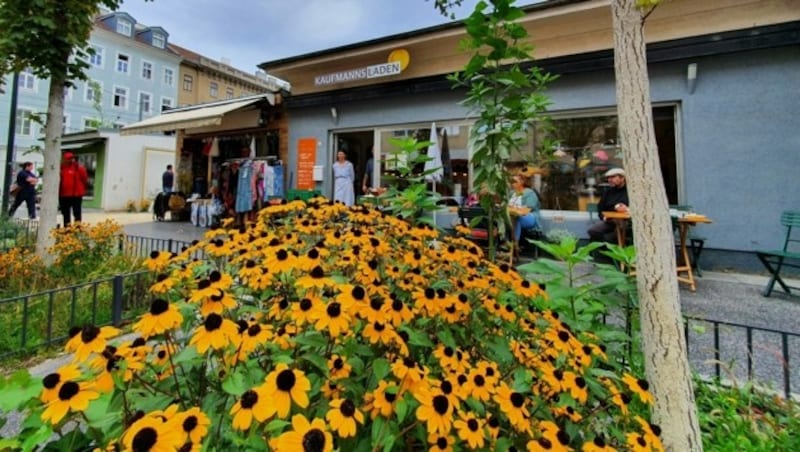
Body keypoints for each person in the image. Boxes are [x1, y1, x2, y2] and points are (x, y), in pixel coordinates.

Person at [587, 167, 629, 243]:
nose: (609, 180)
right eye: (608, 178)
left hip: (626, 222)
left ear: (622, 178)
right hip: (609, 221)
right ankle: (606, 248)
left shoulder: (630, 191)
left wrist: (626, 209)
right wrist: (603, 217)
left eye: (613, 177)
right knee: (593, 231)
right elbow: (600, 207)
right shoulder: (608, 192)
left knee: (620, 232)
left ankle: (610, 246)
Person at [509, 174, 541, 244]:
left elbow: (526, 211)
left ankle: (515, 245)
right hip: (513, 216)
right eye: (511, 182)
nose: (512, 184)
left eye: (515, 182)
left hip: (530, 217)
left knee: (516, 218)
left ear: (521, 182)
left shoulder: (529, 193)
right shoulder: (511, 193)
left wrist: (514, 210)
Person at [59, 152, 89, 226]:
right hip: (64, 195)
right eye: (69, 159)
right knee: (65, 213)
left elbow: (84, 179)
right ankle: (67, 228)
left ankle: (77, 227)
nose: (71, 160)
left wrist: (81, 189)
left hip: (76, 195)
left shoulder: (79, 168)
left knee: (77, 212)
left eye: (72, 158)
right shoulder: (61, 168)